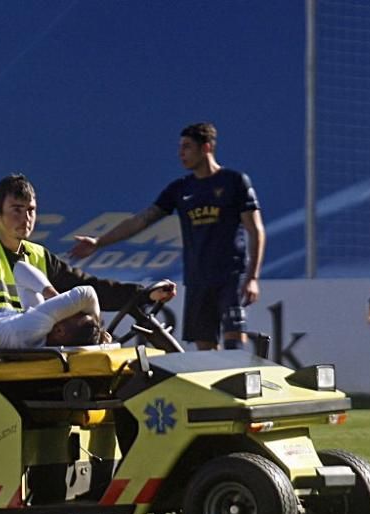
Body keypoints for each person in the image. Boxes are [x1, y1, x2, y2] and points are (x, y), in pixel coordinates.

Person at [69, 122, 265, 351]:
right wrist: (99, 242)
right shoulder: (180, 189)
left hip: (230, 277)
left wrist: (252, 277)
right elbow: (141, 220)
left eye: (187, 147)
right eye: (180, 147)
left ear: (206, 148)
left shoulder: (234, 182)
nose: (181, 153)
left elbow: (256, 229)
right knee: (205, 348)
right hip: (197, 280)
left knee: (234, 342)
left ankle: (238, 385)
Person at [0, 173, 176, 353]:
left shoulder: (39, 256)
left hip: (37, 357)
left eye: (31, 210)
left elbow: (93, 287)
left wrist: (145, 294)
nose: (26, 219)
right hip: (3, 361)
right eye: (16, 210)